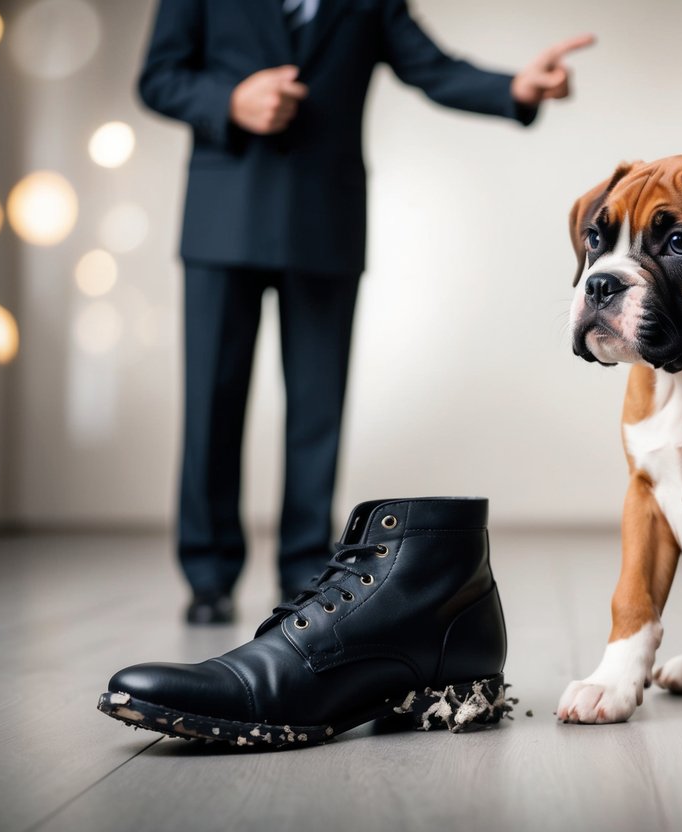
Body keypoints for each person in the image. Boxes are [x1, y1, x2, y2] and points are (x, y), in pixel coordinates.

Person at [138, 0, 592, 624]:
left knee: (317, 412)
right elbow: (158, 77)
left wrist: (513, 87)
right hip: (223, 220)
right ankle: (208, 575)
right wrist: (231, 100)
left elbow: (430, 68)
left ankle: (304, 575)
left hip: (325, 223)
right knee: (212, 402)